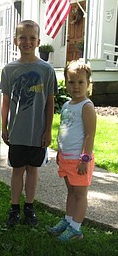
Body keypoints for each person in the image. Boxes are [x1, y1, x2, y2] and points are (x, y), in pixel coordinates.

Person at [0, 20, 57, 228]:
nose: (27, 42)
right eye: (23, 37)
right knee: (17, 170)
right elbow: (5, 101)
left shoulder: (46, 70)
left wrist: (48, 129)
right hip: (16, 131)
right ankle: (14, 208)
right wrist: (3, 126)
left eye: (32, 38)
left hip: (37, 132)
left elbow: (50, 102)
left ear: (38, 42)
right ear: (16, 41)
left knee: (33, 170)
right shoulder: (9, 70)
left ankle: (30, 207)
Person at [47, 60, 96, 240]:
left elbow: (90, 135)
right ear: (65, 82)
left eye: (81, 82)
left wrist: (85, 158)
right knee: (71, 192)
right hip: (66, 158)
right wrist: (60, 153)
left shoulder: (87, 106)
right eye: (71, 82)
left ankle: (76, 228)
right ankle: (68, 220)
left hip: (80, 160)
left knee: (80, 194)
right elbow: (65, 130)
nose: (76, 86)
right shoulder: (68, 105)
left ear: (88, 84)